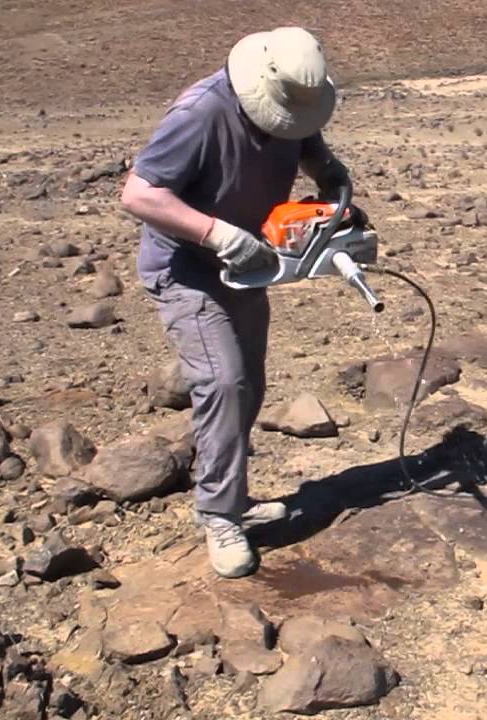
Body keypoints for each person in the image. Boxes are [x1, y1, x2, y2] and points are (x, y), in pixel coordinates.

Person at [120, 26, 352, 578]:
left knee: (248, 383)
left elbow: (307, 143)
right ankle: (219, 516)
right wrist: (217, 234)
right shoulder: (200, 114)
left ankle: (233, 496)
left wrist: (329, 173)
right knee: (223, 382)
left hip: (245, 265)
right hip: (188, 268)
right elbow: (140, 194)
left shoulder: (293, 103)